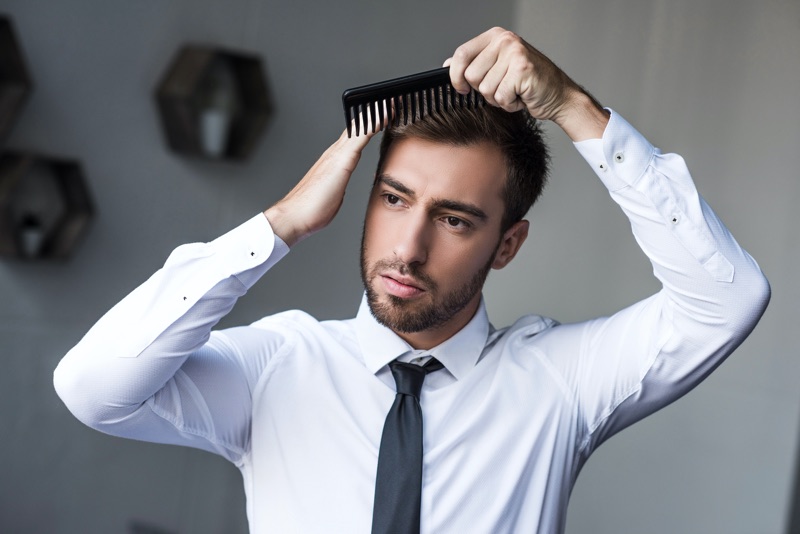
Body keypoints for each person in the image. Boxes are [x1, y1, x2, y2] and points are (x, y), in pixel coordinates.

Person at [54, 27, 770, 533]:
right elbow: (92, 388)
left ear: (507, 245)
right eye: (394, 199)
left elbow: (727, 299)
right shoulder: (280, 366)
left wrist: (575, 109)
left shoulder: (562, 383)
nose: (408, 247)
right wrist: (280, 225)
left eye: (455, 220)